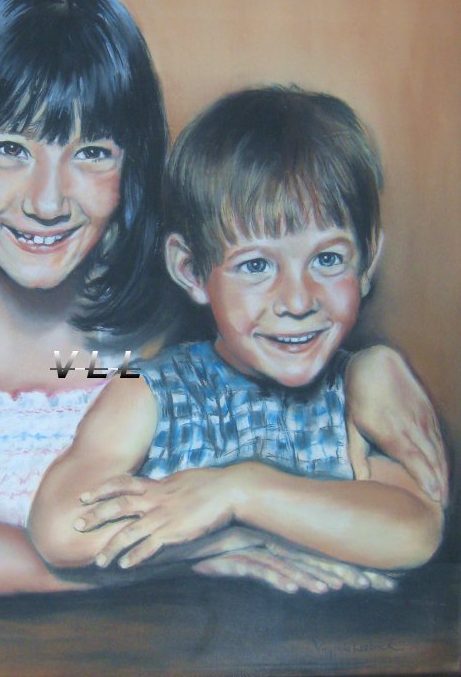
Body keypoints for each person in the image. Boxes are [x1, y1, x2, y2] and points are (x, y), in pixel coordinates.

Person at [0, 0, 444, 597]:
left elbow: (275, 341)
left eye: (93, 153)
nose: (47, 202)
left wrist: (369, 370)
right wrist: (197, 547)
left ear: (135, 165)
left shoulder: (168, 313)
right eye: (11, 149)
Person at [29, 86, 447, 581]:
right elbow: (58, 528)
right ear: (190, 271)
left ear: (367, 260)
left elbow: (416, 532)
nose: (297, 301)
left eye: (328, 259)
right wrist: (218, 538)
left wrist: (238, 492)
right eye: (256, 266)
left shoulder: (356, 397)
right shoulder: (151, 390)